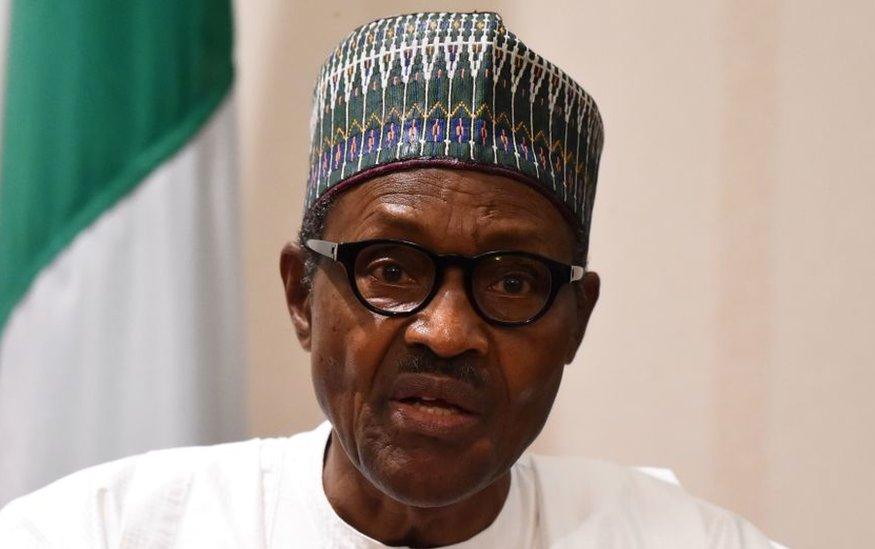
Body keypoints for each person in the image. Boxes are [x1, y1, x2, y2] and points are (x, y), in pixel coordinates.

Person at [0, 12, 781, 548]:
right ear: (301, 294)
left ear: (575, 321)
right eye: (391, 268)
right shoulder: (95, 533)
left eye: (511, 282)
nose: (445, 330)